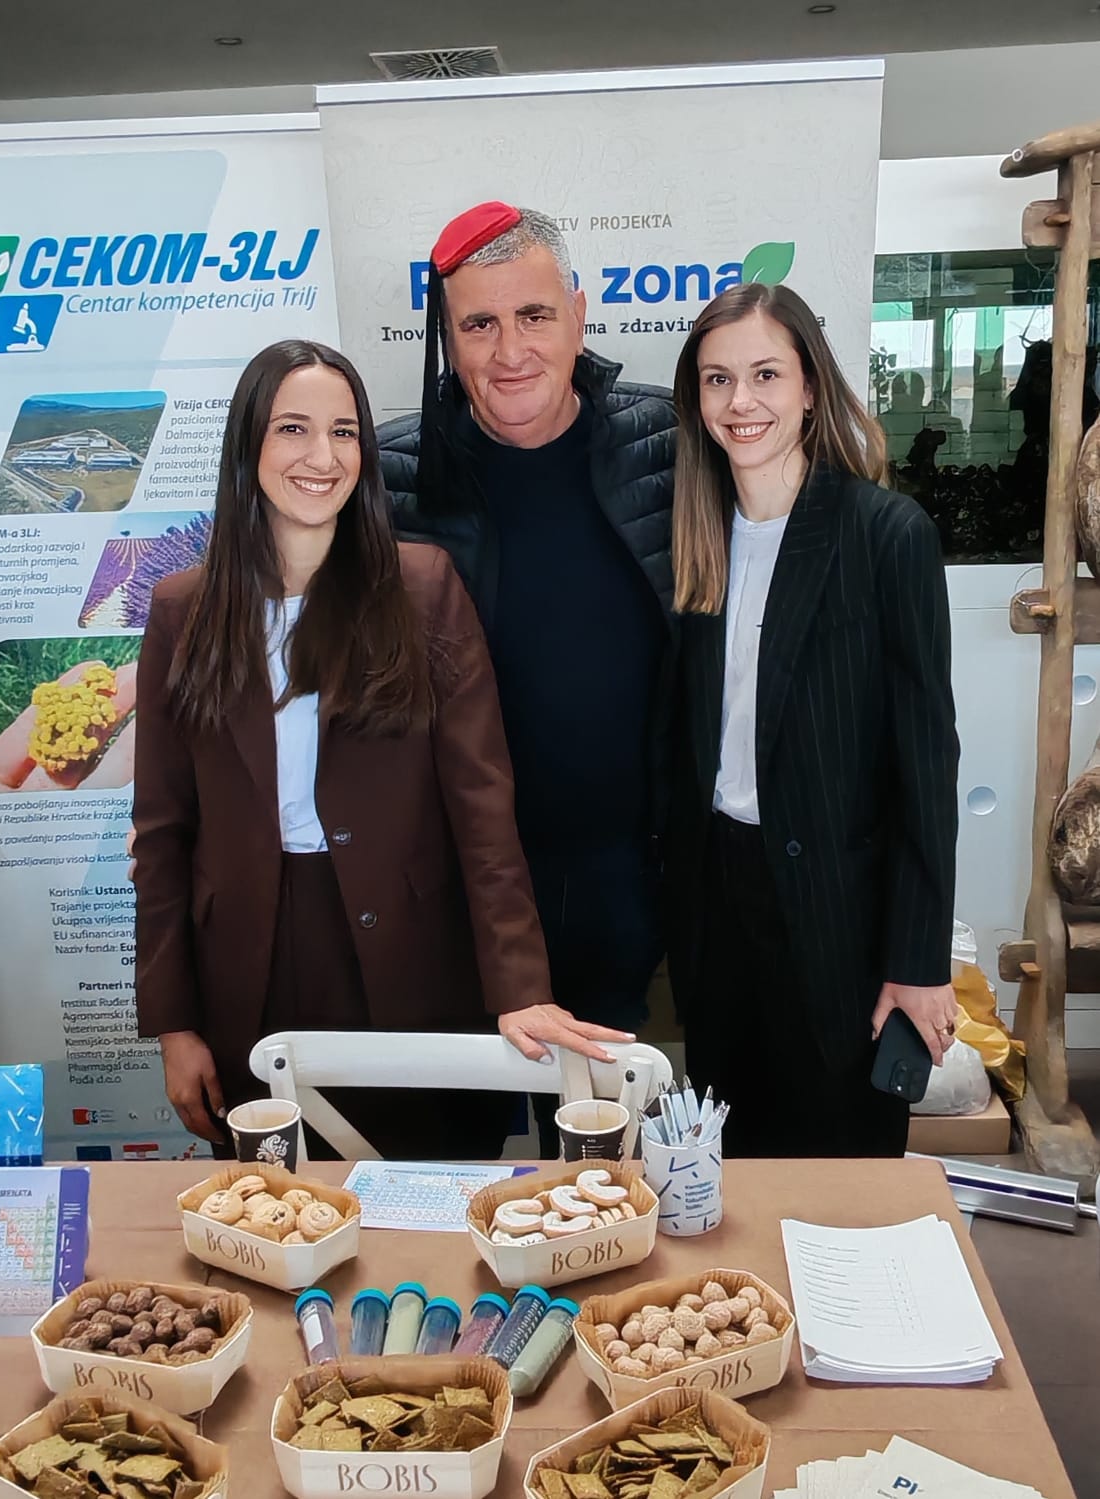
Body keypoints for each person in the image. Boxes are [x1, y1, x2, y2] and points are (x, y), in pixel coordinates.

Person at [132, 338, 630, 1160]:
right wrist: (174, 1024)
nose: (321, 457)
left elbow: (482, 808)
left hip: (409, 954)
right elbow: (160, 833)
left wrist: (520, 987)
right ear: (248, 444)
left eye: (344, 432)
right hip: (249, 965)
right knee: (279, 1204)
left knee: (427, 1200)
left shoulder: (423, 588)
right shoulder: (183, 610)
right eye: (293, 429)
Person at [380, 202, 677, 1156]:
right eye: (479, 324)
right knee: (450, 1161)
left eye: (534, 315)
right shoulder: (384, 476)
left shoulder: (672, 446)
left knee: (603, 1163)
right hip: (456, 894)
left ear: (579, 316)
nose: (510, 351)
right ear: (446, 338)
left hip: (627, 885)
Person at [667, 283, 960, 1158]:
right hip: (719, 904)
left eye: (765, 374)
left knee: (842, 1176)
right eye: (718, 379)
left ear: (809, 386)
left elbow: (926, 761)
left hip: (842, 916)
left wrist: (918, 960)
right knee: (734, 1170)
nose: (741, 401)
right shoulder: (694, 537)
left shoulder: (886, 534)